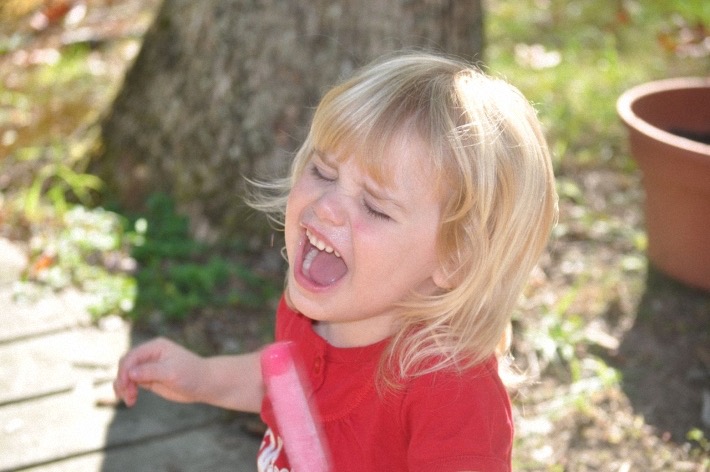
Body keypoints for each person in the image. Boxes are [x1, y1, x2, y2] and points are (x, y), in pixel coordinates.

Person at [113, 52, 558, 471]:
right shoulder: (307, 314)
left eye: (375, 207)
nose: (326, 206)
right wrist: (201, 377)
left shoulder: (451, 392)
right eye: (323, 172)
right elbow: (284, 384)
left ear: (456, 258)